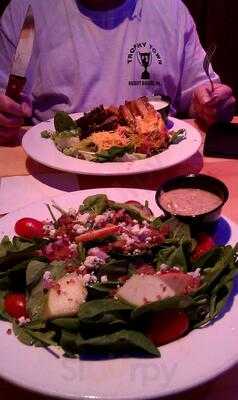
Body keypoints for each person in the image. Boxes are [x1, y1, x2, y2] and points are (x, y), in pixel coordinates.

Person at [0, 0, 236, 143]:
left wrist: (210, 104)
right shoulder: (26, 10)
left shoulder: (171, 10)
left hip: (155, 167)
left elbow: (197, 97)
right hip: (54, 172)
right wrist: (5, 116)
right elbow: (5, 99)